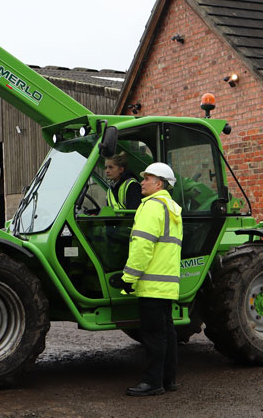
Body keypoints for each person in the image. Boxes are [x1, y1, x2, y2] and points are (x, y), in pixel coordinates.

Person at [120, 162, 182, 397]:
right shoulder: (171, 208)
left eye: (147, 178)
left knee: (153, 336)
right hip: (166, 284)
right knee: (167, 333)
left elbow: (142, 248)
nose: (142, 182)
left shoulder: (151, 207)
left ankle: (152, 382)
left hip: (151, 285)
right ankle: (169, 379)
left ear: (160, 183)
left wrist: (128, 278)